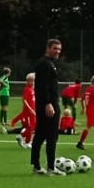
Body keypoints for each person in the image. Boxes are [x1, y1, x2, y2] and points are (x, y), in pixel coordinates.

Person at [30, 38, 68, 174]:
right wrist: (47, 103)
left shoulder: (49, 63)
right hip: (48, 105)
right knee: (51, 135)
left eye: (59, 49)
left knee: (40, 134)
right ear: (48, 48)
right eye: (55, 48)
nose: (57, 51)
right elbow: (43, 86)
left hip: (48, 103)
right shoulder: (44, 64)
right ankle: (51, 167)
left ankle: (36, 166)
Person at [13, 73, 37, 148]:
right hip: (28, 112)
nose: (33, 82)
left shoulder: (32, 89)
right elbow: (24, 100)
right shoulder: (27, 89)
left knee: (33, 127)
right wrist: (30, 109)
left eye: (34, 81)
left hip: (33, 112)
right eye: (31, 81)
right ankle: (22, 136)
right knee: (30, 127)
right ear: (27, 81)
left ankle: (28, 142)